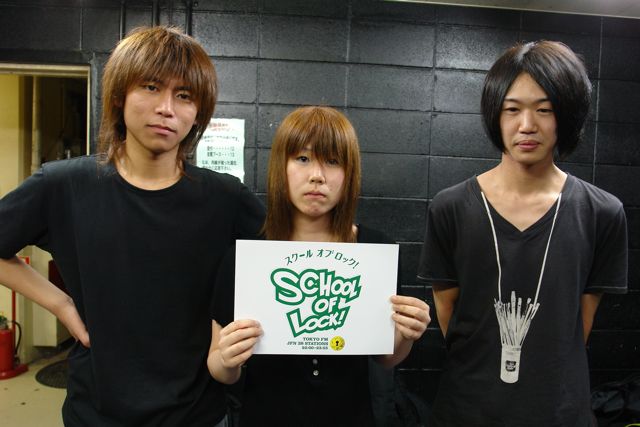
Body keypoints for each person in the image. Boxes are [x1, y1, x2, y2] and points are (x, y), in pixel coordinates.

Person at [0, 26, 264, 426]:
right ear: (119, 96)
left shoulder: (225, 197)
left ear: (198, 113)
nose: (166, 108)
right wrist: (62, 305)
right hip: (97, 412)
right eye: (151, 87)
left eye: (184, 95)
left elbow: (286, 259)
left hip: (197, 414)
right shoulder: (65, 185)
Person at [418, 40, 628, 426]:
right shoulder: (450, 208)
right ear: (495, 115)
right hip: (466, 411)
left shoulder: (602, 212)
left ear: (566, 115)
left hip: (559, 412)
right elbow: (450, 319)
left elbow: (577, 326)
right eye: (512, 109)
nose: (527, 125)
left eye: (544, 110)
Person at [207, 106, 431, 426]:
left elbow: (386, 358)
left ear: (349, 173)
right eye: (302, 158)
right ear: (281, 167)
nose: (317, 175)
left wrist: (408, 333)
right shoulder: (248, 257)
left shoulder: (375, 252)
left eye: (333, 161)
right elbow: (218, 366)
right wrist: (228, 360)